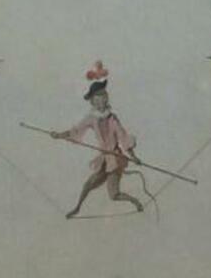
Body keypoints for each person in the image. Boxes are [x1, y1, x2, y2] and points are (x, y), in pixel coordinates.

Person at [52, 76, 143, 218]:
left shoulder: (112, 118)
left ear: (106, 98)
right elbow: (76, 130)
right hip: (104, 160)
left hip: (115, 160)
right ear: (93, 101)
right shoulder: (91, 118)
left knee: (114, 195)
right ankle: (77, 208)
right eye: (98, 98)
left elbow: (123, 137)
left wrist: (134, 156)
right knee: (88, 184)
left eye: (103, 97)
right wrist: (59, 135)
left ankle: (135, 201)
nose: (101, 100)